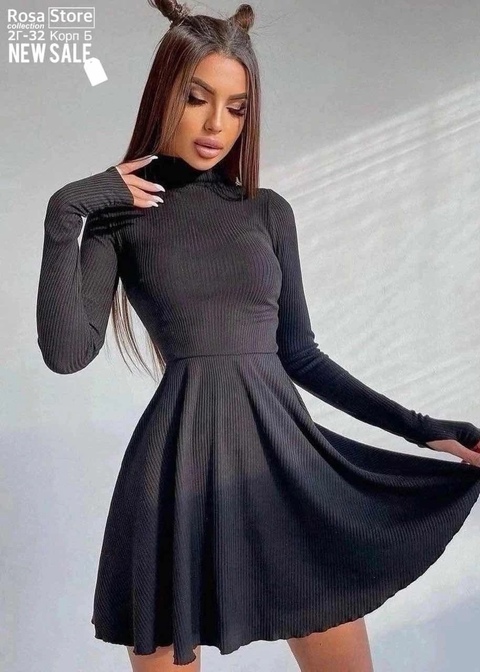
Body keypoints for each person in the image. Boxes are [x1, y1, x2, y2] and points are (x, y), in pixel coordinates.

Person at [36, 1, 480, 670]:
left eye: (236, 107)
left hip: (285, 468)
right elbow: (68, 354)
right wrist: (66, 210)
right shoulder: (117, 216)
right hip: (177, 475)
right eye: (198, 99)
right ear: (163, 95)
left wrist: (423, 429)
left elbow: (300, 354)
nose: (217, 124)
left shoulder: (266, 212)